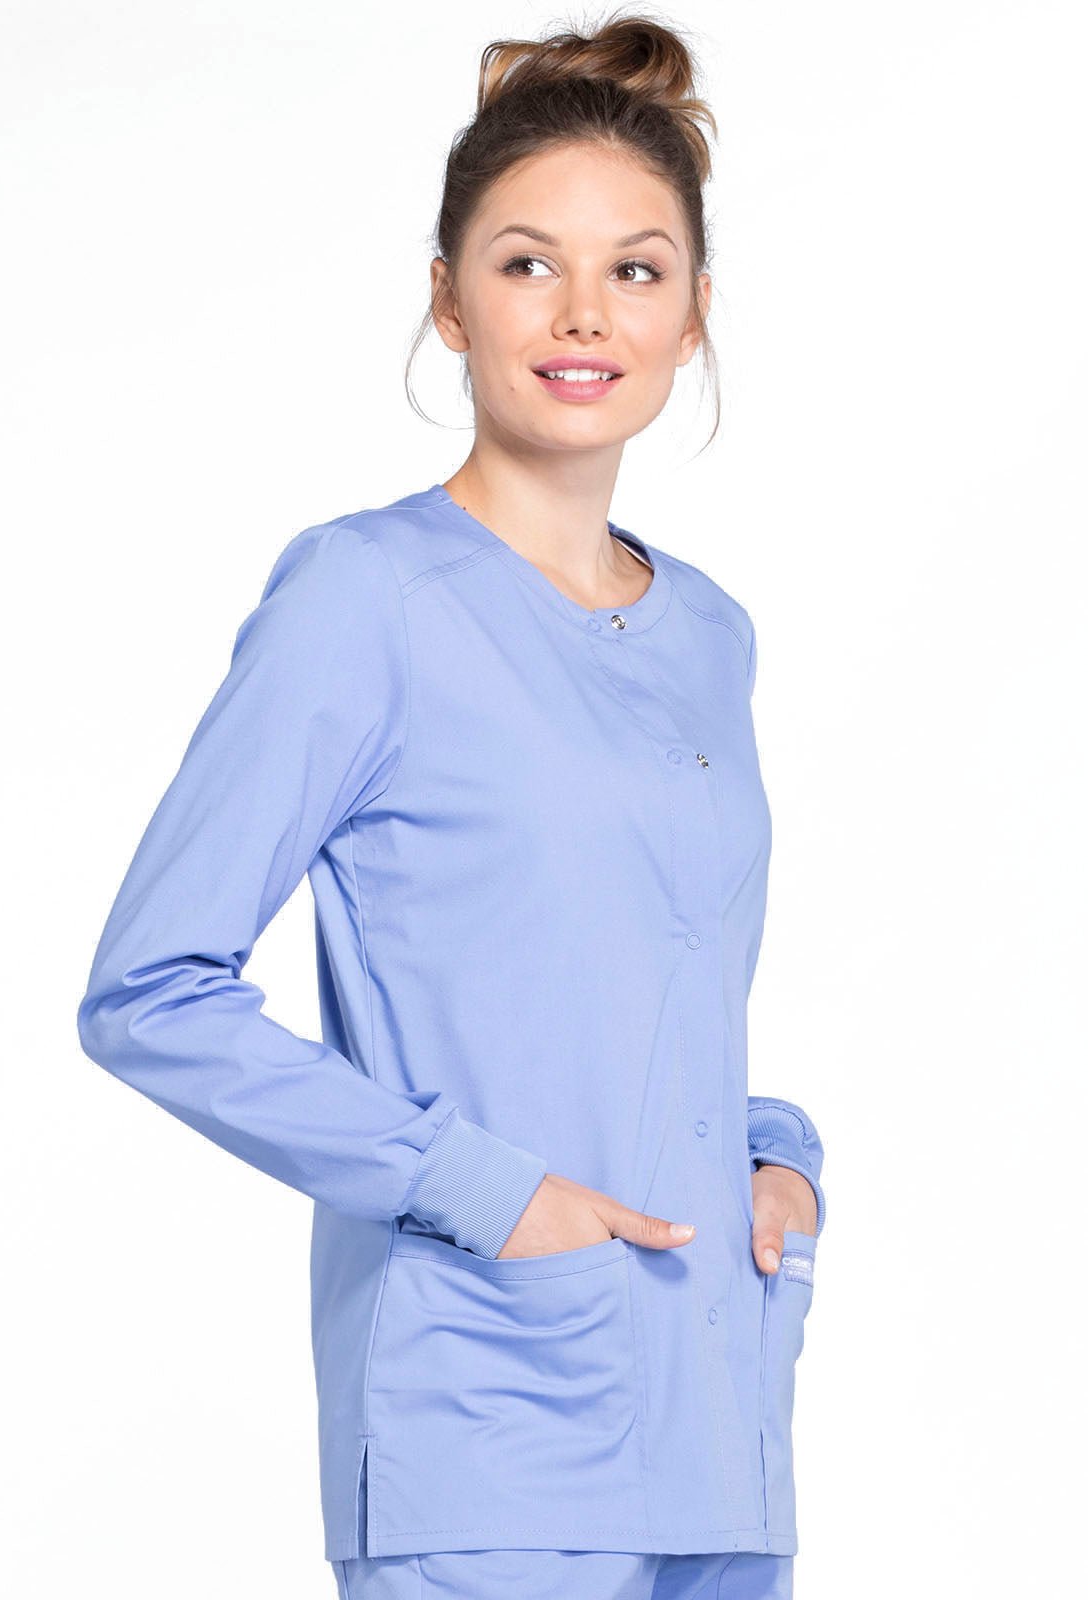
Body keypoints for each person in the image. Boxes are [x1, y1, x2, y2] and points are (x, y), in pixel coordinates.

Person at [76, 11, 827, 1599]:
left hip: (719, 1423)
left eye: (637, 269)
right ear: (447, 299)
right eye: (526, 263)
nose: (584, 313)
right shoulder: (366, 599)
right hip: (488, 1419)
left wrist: (774, 1159)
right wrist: (489, 1195)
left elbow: (645, 988)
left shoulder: (710, 633)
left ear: (695, 313)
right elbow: (150, 991)